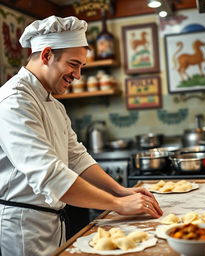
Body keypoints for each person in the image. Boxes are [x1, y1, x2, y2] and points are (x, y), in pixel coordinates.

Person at [0, 15, 163, 256]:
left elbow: (77, 158)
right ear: (46, 55)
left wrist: (120, 190)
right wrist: (118, 204)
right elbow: (48, 174)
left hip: (51, 222)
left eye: (81, 67)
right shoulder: (13, 102)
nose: (77, 75)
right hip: (23, 227)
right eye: (73, 64)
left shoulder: (53, 104)